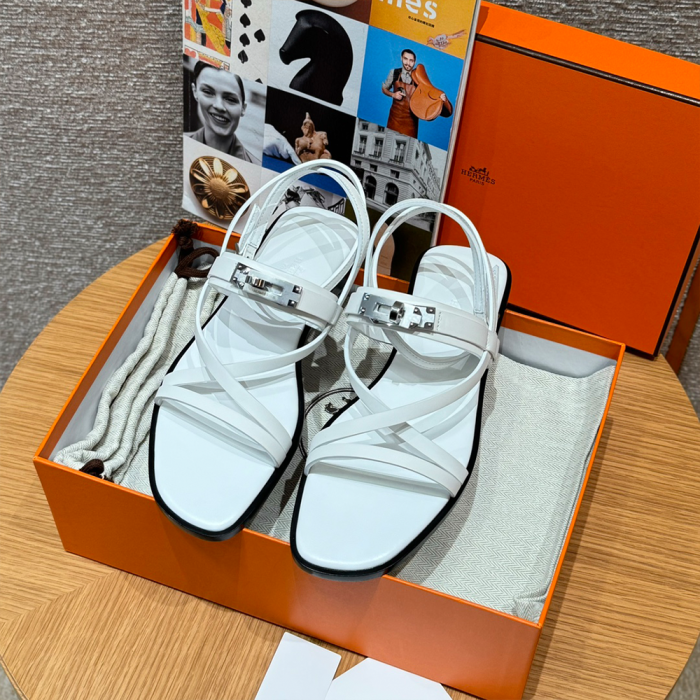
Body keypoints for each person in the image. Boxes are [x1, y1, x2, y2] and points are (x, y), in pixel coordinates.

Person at [186, 61, 261, 164]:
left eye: (230, 99)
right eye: (208, 92)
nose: (219, 106)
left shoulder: (254, 165)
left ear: (243, 108)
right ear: (195, 91)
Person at [381, 48, 452, 138]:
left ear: (414, 62)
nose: (408, 63)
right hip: (394, 118)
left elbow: (430, 100)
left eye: (411, 60)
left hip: (411, 122)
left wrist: (442, 100)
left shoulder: (418, 79)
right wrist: (393, 94)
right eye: (405, 59)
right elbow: (384, 89)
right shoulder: (394, 73)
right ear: (401, 58)